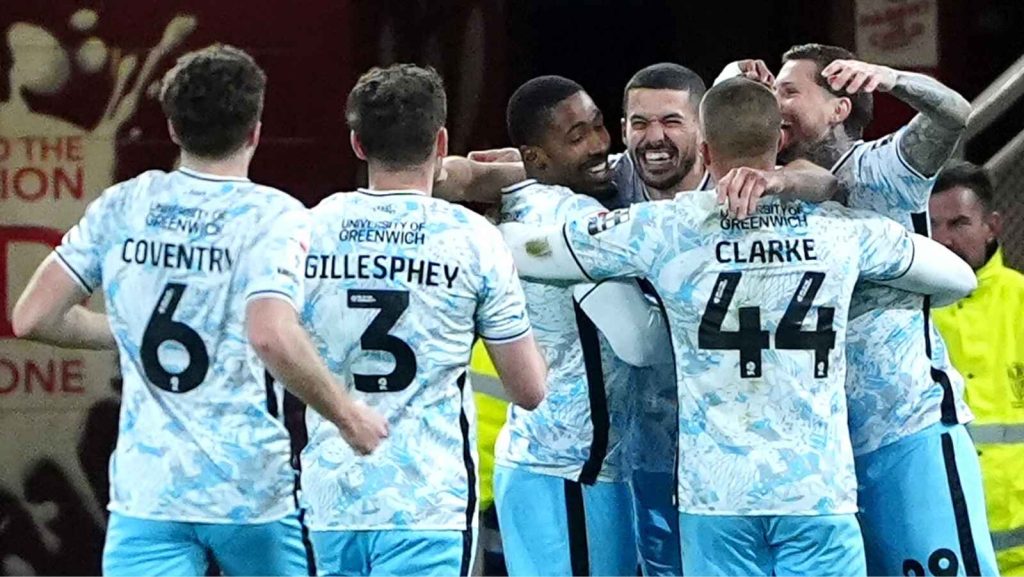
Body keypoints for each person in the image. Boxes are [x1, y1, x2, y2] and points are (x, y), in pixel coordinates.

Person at [499, 77, 978, 577]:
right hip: (817, 492)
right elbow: (958, 279)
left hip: (715, 496)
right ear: (779, 144)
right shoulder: (843, 233)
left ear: (704, 151)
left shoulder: (665, 230)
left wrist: (489, 219)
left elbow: (535, 251)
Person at [12, 45, 386, 576]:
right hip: (248, 492)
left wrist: (134, 332)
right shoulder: (276, 216)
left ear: (172, 127)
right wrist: (348, 417)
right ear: (255, 129)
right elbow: (270, 335)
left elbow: (32, 317)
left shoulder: (126, 203)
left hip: (148, 496)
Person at [720, 43, 998, 575]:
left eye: (789, 91)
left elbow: (954, 113)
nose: (775, 102)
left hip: (905, 432)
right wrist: (732, 82)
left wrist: (891, 77)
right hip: (821, 458)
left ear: (840, 107)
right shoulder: (766, 188)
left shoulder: (883, 166)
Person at [297, 63, 547, 577]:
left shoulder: (309, 227)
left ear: (357, 144)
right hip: (429, 502)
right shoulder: (474, 239)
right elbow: (528, 389)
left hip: (330, 500)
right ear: (441, 142)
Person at [492, 74, 640, 577]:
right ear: (535, 157)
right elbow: (640, 343)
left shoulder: (512, 203)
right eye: (577, 137)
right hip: (572, 468)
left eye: (599, 126)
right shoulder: (575, 218)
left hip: (536, 460)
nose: (599, 145)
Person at [931, 161, 1024, 575]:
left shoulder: (1020, 300)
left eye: (959, 223)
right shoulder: (910, 309)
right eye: (933, 224)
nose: (943, 239)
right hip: (944, 541)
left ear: (992, 226)